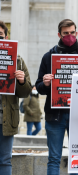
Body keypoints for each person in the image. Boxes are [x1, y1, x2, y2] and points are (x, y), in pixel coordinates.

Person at [35, 19, 78, 175]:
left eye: (72, 33)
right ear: (59, 34)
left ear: (76, 33)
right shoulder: (48, 57)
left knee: (76, 159)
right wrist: (46, 83)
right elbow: (39, 87)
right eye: (65, 34)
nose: (69, 36)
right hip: (55, 116)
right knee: (54, 158)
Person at [0, 21, 32, 175]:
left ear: (6, 37)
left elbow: (26, 92)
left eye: (0, 35)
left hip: (5, 118)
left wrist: (21, 81)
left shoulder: (17, 60)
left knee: (5, 160)